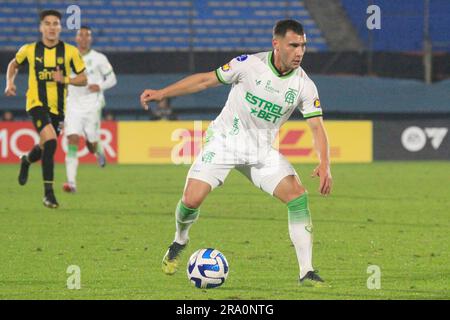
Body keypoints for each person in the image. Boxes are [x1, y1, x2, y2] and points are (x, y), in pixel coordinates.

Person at [140, 19, 332, 286]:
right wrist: (163, 93)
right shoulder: (248, 65)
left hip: (260, 152)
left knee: (297, 197)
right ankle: (179, 239)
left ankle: (306, 272)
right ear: (276, 44)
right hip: (224, 142)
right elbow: (206, 80)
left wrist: (325, 162)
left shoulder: (304, 85)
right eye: (293, 45)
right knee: (192, 199)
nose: (300, 51)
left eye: (303, 45)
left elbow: (316, 127)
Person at [4, 10, 87, 208]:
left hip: (58, 108)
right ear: (41, 27)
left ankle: (26, 159)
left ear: (60, 27)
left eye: (55, 23)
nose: (51, 27)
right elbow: (13, 65)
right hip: (36, 103)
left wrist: (65, 79)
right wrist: (9, 83)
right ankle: (48, 194)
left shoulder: (70, 52)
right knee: (50, 142)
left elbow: (83, 79)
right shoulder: (29, 50)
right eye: (47, 23)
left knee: (44, 146)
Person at [63, 26, 117, 193]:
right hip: (72, 104)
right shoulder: (67, 57)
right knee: (72, 138)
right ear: (76, 38)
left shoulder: (99, 58)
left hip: (92, 104)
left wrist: (99, 85)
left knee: (91, 142)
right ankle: (71, 183)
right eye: (81, 35)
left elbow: (113, 79)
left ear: (90, 39)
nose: (84, 38)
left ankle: (98, 150)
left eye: (87, 35)